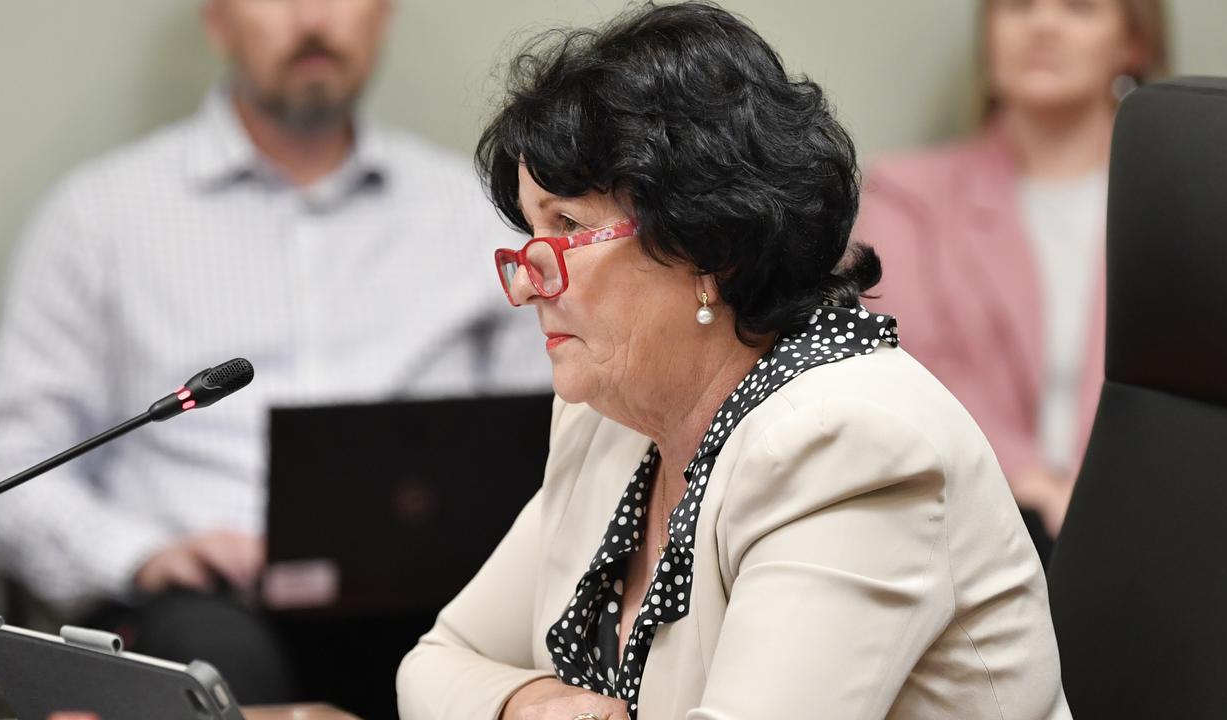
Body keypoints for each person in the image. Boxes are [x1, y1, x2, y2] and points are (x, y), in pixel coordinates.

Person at [396, 4, 1069, 718]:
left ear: (709, 248)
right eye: (529, 232)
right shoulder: (610, 413)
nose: (527, 279)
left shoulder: (848, 443)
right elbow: (436, 664)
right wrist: (525, 703)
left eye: (566, 227)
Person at [0, 0, 548, 704]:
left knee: (487, 657)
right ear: (217, 19)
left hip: (428, 593)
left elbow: (553, 437)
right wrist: (139, 555)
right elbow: (12, 463)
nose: (313, 19)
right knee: (216, 664)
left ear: (384, 15)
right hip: (203, 607)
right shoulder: (97, 220)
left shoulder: (472, 216)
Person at [853, 0, 1170, 554]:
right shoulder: (906, 195)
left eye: (1079, 7)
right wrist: (1034, 483)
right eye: (1018, 5)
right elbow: (904, 367)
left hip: (1150, 531)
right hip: (971, 524)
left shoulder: (1182, 205)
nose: (1042, 24)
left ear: (1133, 43)